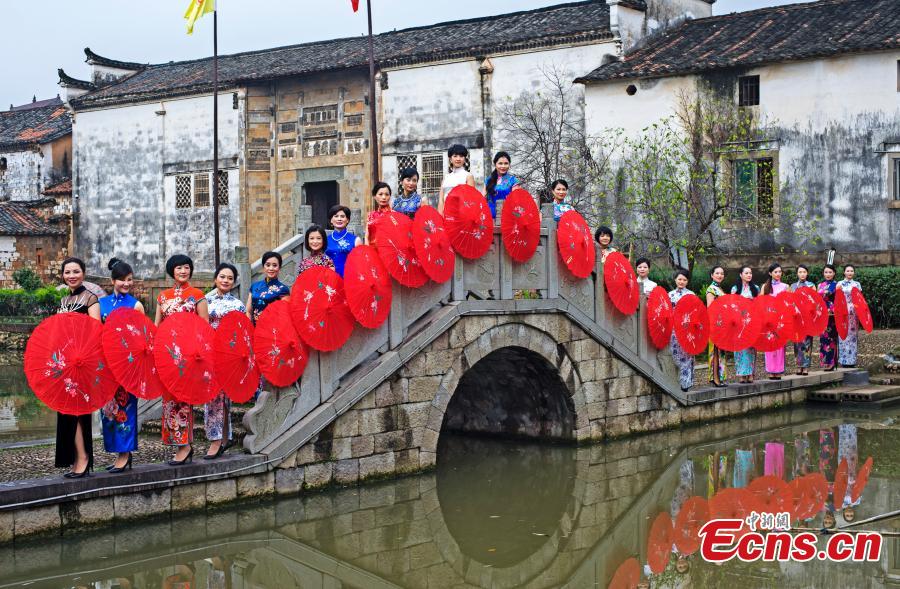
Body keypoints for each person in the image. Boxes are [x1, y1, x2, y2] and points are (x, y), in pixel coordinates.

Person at [156, 254, 208, 466]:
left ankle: (185, 445)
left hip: (188, 354)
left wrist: (197, 350)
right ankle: (180, 444)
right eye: (179, 268)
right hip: (168, 355)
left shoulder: (197, 295)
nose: (183, 271)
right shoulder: (163, 296)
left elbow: (204, 325)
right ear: (172, 271)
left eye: (186, 267)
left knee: (183, 398)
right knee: (169, 400)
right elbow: (157, 326)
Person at [56, 257, 100, 478]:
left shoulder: (90, 299)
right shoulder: (64, 300)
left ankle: (83, 458)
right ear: (63, 275)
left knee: (77, 412)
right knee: (65, 411)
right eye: (67, 272)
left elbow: (95, 332)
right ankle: (75, 457)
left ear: (83, 273)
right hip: (65, 362)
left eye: (76, 271)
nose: (71, 276)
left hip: (82, 362)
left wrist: (81, 354)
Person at [98, 258, 143, 472]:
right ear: (112, 280)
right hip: (106, 364)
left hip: (127, 364)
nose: (126, 284)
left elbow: (142, 337)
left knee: (125, 408)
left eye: (130, 280)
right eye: (122, 280)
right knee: (108, 410)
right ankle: (117, 452)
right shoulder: (102, 304)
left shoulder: (136, 305)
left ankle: (125, 455)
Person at [204, 263, 246, 460]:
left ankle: (220, 439)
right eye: (222, 276)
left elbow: (241, 331)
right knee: (212, 397)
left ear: (234, 281)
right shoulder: (204, 301)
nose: (225, 280)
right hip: (209, 352)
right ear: (215, 278)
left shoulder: (237, 305)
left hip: (228, 355)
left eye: (230, 278)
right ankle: (217, 438)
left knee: (224, 398)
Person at [730, 266, 759, 383]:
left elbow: (759, 305)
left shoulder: (755, 288)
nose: (749, 275)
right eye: (746, 273)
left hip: (752, 321)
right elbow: (732, 305)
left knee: (751, 347)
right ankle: (742, 374)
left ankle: (751, 373)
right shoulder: (735, 288)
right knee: (740, 348)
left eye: (750, 273)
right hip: (739, 321)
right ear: (740, 274)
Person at [246, 251, 290, 325]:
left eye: (275, 265)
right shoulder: (254, 286)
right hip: (254, 329)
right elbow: (248, 311)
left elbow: (285, 315)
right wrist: (249, 328)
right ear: (263, 267)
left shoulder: (283, 289)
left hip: (272, 330)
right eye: (268, 265)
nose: (271, 268)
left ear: (279, 267)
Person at [669, 268, 695, 392]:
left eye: (684, 280)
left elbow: (695, 312)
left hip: (687, 328)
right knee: (675, 354)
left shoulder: (691, 294)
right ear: (675, 280)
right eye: (679, 279)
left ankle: (686, 383)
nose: (681, 282)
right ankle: (675, 381)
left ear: (687, 281)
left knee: (687, 356)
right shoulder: (670, 295)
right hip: (674, 329)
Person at [760, 262, 787, 380]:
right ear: (770, 273)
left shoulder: (785, 286)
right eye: (775, 272)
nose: (778, 274)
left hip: (781, 319)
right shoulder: (765, 287)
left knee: (780, 346)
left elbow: (788, 303)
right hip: (769, 320)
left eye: (780, 272)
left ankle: (779, 370)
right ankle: (771, 371)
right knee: (770, 346)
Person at [790, 265, 816, 375]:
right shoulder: (793, 286)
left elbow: (815, 301)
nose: (802, 274)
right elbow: (790, 301)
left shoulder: (811, 286)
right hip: (796, 317)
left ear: (807, 273)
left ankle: (805, 366)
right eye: (800, 272)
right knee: (797, 342)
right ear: (797, 273)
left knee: (807, 342)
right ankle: (799, 364)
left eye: (804, 272)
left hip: (807, 316)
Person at [705, 266, 727, 387]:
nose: (720, 275)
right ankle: (715, 378)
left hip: (722, 323)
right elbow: (710, 308)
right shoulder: (711, 289)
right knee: (715, 351)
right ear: (712, 275)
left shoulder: (720, 289)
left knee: (721, 351)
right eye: (717, 273)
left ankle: (720, 377)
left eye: (722, 273)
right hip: (715, 323)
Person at [326, 205, 361, 277]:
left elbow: (360, 264)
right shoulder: (325, 240)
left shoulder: (355, 240)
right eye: (336, 216)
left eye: (342, 216)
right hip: (330, 279)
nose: (339, 219)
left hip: (349, 278)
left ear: (347, 220)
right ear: (331, 220)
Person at [838, 264, 863, 368]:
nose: (849, 273)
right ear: (844, 272)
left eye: (851, 271)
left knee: (852, 336)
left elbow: (860, 299)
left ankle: (852, 360)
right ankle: (844, 360)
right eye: (847, 271)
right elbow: (837, 299)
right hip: (843, 311)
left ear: (854, 272)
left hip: (854, 313)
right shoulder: (839, 284)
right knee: (843, 335)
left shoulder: (857, 284)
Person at [438, 144, 476, 211]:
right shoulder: (446, 177)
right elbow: (441, 200)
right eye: (455, 156)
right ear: (450, 159)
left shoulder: (468, 176)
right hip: (446, 214)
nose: (458, 159)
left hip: (461, 214)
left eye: (461, 156)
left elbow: (471, 200)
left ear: (464, 159)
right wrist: (440, 217)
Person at [817, 264, 839, 371]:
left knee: (831, 338)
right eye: (826, 272)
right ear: (823, 273)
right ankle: (824, 361)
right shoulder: (820, 285)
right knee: (823, 338)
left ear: (834, 273)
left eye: (830, 272)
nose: (828, 274)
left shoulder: (837, 285)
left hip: (832, 313)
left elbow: (839, 300)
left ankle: (832, 362)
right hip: (822, 312)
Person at [484, 151, 519, 218]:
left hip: (507, 217)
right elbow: (483, 199)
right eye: (500, 163)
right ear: (495, 164)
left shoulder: (513, 180)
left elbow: (516, 202)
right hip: (489, 217)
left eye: (506, 163)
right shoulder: (488, 180)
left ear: (509, 165)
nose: (503, 166)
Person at [365, 182, 393, 246]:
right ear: (374, 196)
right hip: (373, 252)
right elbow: (366, 237)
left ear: (390, 196)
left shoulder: (394, 215)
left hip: (389, 251)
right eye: (380, 194)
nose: (384, 197)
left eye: (387, 194)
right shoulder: (371, 215)